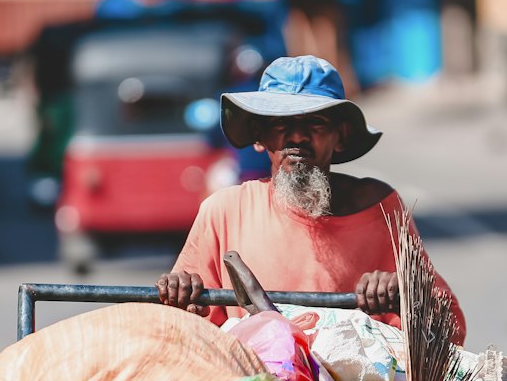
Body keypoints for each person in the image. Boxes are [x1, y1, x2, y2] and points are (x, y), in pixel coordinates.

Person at [157, 55, 466, 341]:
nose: (297, 137)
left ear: (340, 136)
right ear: (260, 137)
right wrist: (181, 296)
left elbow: (449, 327)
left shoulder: (380, 208)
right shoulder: (224, 211)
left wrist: (404, 293)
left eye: (315, 124)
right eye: (281, 123)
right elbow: (181, 334)